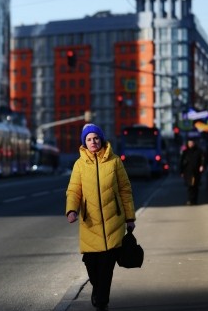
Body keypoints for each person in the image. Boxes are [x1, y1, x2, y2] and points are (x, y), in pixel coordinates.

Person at [65, 123, 137, 311]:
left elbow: (125, 190)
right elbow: (74, 191)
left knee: (106, 267)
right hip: (90, 223)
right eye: (89, 139)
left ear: (101, 139)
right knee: (91, 265)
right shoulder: (79, 165)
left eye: (96, 138)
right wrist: (71, 210)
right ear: (84, 143)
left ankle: (101, 301)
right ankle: (98, 291)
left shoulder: (114, 161)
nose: (93, 141)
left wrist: (130, 217)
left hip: (113, 221)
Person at [179, 139, 205, 205]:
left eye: (192, 143)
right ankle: (190, 200)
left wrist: (202, 166)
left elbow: (203, 159)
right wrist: (181, 171)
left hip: (196, 172)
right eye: (189, 143)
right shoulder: (185, 152)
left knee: (195, 186)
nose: (190, 144)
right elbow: (181, 162)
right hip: (188, 172)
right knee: (189, 186)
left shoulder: (199, 151)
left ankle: (194, 200)